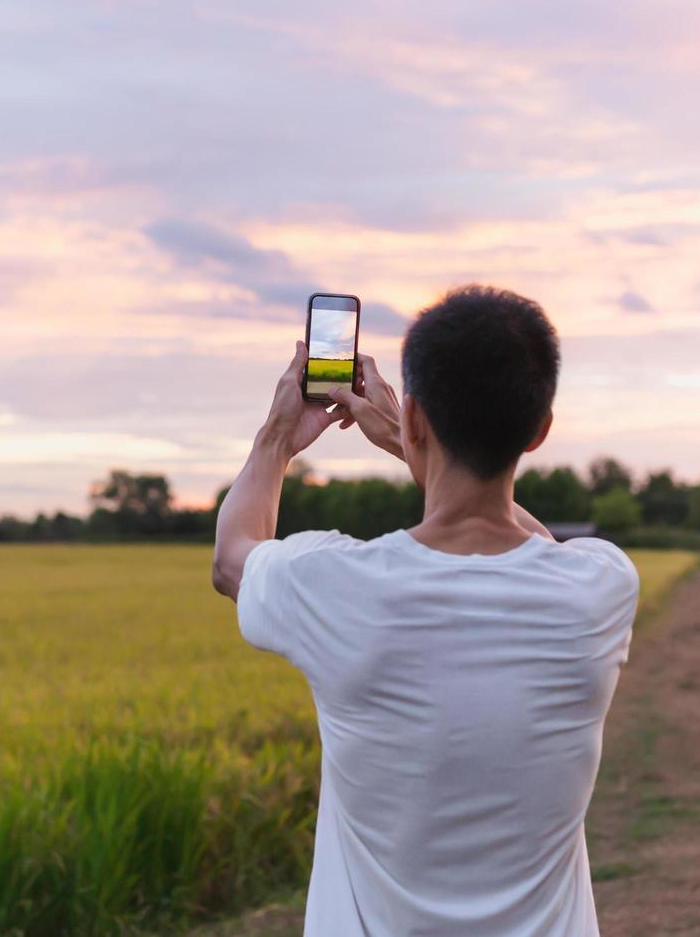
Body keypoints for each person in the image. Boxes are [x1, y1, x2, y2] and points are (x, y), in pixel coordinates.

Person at [211, 285, 639, 936]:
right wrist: (414, 450)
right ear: (540, 431)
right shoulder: (600, 590)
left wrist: (277, 437)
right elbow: (540, 551)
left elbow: (232, 557)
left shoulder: (338, 585)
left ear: (415, 418)